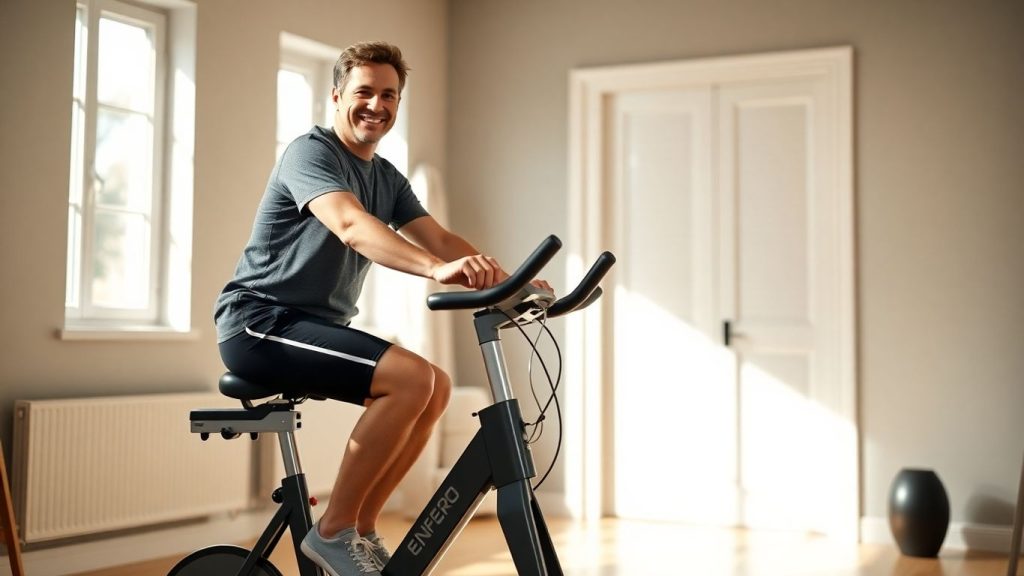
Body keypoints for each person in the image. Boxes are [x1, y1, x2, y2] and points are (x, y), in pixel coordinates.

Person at [214, 41, 546, 576]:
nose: (377, 105)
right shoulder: (311, 153)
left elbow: (439, 237)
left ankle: (361, 532)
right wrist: (435, 270)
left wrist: (514, 285)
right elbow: (351, 226)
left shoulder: (386, 177)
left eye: (389, 95)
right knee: (411, 378)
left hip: (310, 327)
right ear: (337, 96)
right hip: (259, 324)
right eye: (364, 92)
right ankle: (333, 532)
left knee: (435, 386)